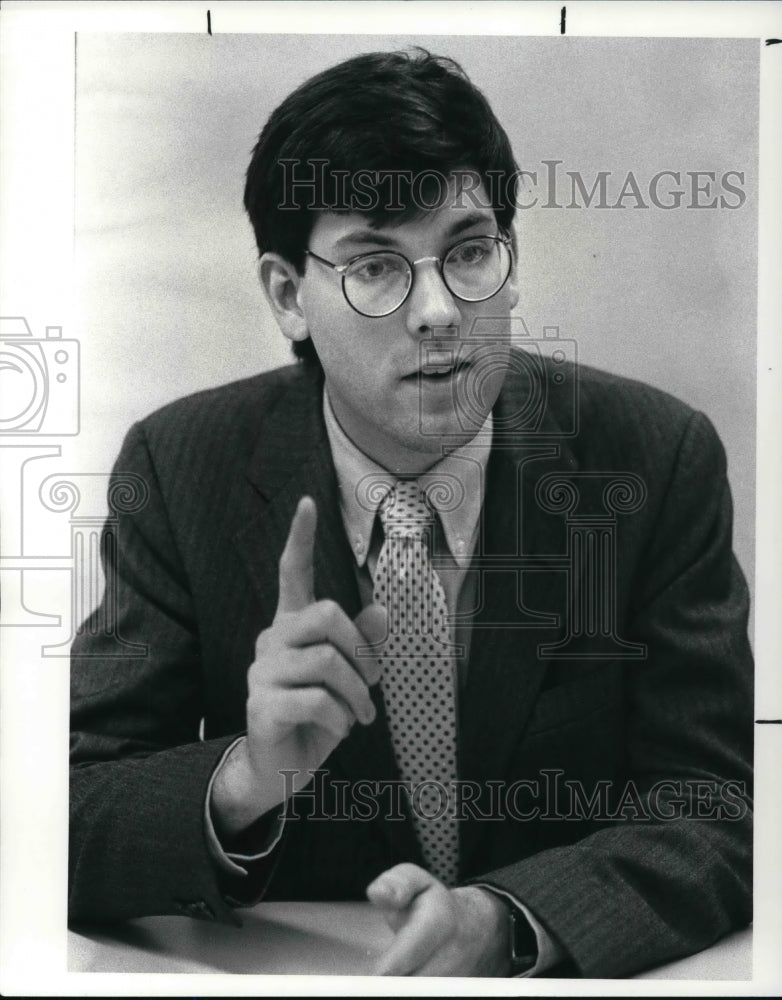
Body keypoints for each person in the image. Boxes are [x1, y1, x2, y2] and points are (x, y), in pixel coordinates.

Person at [69, 49, 753, 978]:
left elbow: (713, 805)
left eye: (469, 251)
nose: (437, 311)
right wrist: (244, 777)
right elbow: (62, 821)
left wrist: (510, 920)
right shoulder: (181, 467)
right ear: (286, 296)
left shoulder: (651, 458)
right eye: (377, 268)